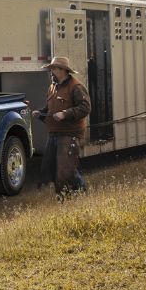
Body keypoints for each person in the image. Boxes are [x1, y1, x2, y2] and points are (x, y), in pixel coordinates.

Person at [34, 57, 91, 198]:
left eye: (54, 68)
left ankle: (76, 194)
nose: (51, 71)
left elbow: (85, 108)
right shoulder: (52, 87)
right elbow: (50, 109)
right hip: (54, 133)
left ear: (63, 70)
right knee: (55, 167)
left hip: (70, 134)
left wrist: (65, 114)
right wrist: (40, 113)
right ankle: (73, 195)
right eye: (51, 69)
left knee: (65, 169)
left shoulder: (76, 86)